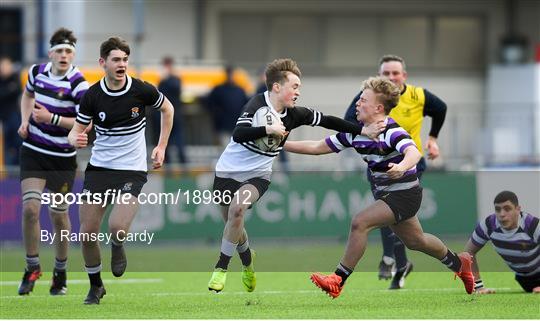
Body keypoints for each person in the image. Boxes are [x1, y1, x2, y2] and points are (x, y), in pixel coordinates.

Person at [285, 76, 474, 298]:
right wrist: (280, 144)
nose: (357, 103)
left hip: (405, 195)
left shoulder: (391, 131)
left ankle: (338, 279)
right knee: (416, 241)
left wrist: (402, 166)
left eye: (363, 99)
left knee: (360, 222)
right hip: (389, 194)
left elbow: (413, 152)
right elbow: (317, 146)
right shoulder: (357, 132)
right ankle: (460, 264)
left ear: (378, 108)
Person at [207, 58, 380, 293]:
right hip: (227, 172)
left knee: (238, 209)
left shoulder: (296, 114)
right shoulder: (257, 104)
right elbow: (238, 134)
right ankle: (247, 262)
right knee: (232, 222)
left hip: (258, 174)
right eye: (295, 86)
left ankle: (221, 269)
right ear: (277, 87)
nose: (298, 91)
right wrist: (268, 129)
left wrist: (363, 130)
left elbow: (328, 121)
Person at [68, 37, 174, 304]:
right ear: (103, 63)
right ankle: (96, 286)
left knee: (117, 227)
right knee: (87, 233)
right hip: (99, 169)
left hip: (132, 170)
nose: (122, 64)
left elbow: (168, 109)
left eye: (125, 60)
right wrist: (75, 139)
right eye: (116, 60)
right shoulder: (92, 96)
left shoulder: (141, 90)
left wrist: (161, 147)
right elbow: (76, 131)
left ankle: (117, 245)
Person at [344, 54, 447, 289]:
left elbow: (441, 108)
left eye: (395, 73)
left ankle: (391, 259)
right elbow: (347, 120)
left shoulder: (418, 95)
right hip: (379, 164)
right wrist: (365, 130)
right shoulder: (369, 98)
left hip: (410, 162)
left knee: (392, 212)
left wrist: (433, 138)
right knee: (394, 219)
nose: (391, 77)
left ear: (404, 76)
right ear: (380, 76)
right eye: (386, 73)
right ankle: (400, 263)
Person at [16, 28, 89, 296]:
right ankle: (32, 267)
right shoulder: (36, 72)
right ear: (50, 54)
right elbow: (27, 96)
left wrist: (53, 119)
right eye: (59, 50)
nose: (64, 55)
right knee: (31, 210)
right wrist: (25, 121)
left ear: (73, 55)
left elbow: (86, 123)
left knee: (59, 215)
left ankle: (60, 270)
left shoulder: (79, 84)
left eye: (68, 51)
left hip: (62, 158)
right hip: (34, 150)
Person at [464, 191, 540, 294]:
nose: (502, 214)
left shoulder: (532, 224)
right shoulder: (488, 225)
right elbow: (468, 253)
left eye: (507, 209)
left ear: (518, 209)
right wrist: (478, 287)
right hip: (523, 280)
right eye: (498, 209)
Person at [155, 56, 187, 165]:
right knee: (165, 143)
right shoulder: (162, 80)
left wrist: (167, 77)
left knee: (179, 143)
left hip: (175, 116)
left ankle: (184, 166)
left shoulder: (174, 79)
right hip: (164, 117)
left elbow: (176, 89)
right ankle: (166, 165)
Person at [207, 65, 248, 147]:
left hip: (238, 127)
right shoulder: (218, 89)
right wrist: (217, 115)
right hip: (223, 126)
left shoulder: (240, 90)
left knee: (236, 150)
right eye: (229, 74)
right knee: (225, 149)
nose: (230, 76)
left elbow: (246, 106)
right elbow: (210, 103)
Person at [0, 56, 22, 166]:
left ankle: (19, 169)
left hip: (14, 117)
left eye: (6, 65)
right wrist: (8, 90)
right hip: (4, 118)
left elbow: (17, 90)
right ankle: (9, 173)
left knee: (19, 143)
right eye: (2, 66)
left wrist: (6, 91)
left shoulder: (14, 77)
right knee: (7, 147)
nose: (4, 68)